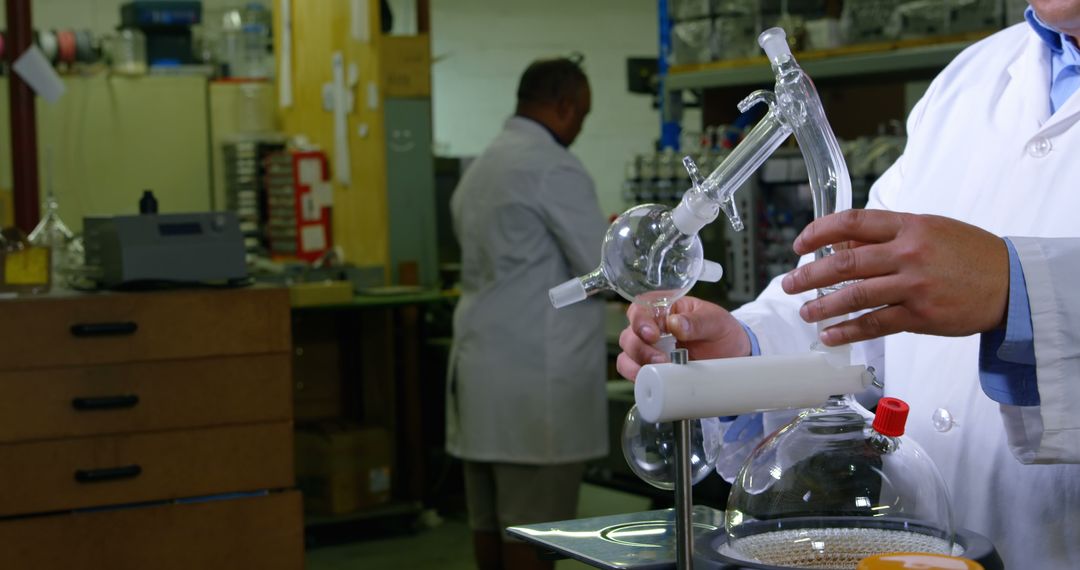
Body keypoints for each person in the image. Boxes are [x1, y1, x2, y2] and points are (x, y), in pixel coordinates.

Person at [618, 2, 1080, 569]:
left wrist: (1020, 289)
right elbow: (867, 285)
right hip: (918, 547)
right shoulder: (972, 78)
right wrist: (748, 352)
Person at [446, 57, 607, 570]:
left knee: (490, 523)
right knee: (534, 533)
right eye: (581, 114)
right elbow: (603, 269)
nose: (580, 127)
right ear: (564, 107)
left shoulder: (482, 166)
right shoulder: (553, 165)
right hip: (536, 383)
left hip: (482, 372)